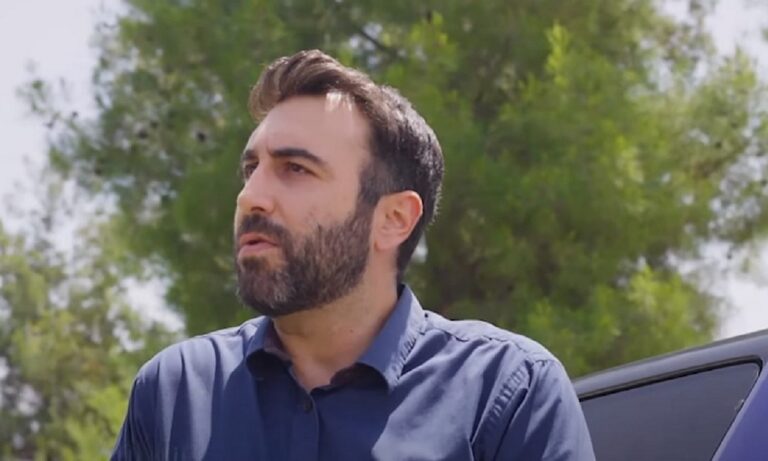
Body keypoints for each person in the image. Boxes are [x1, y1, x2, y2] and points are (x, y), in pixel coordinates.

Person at [111, 49, 595, 461]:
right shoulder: (174, 393)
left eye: (295, 168)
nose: (250, 196)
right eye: (251, 169)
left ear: (394, 219)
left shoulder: (508, 392)